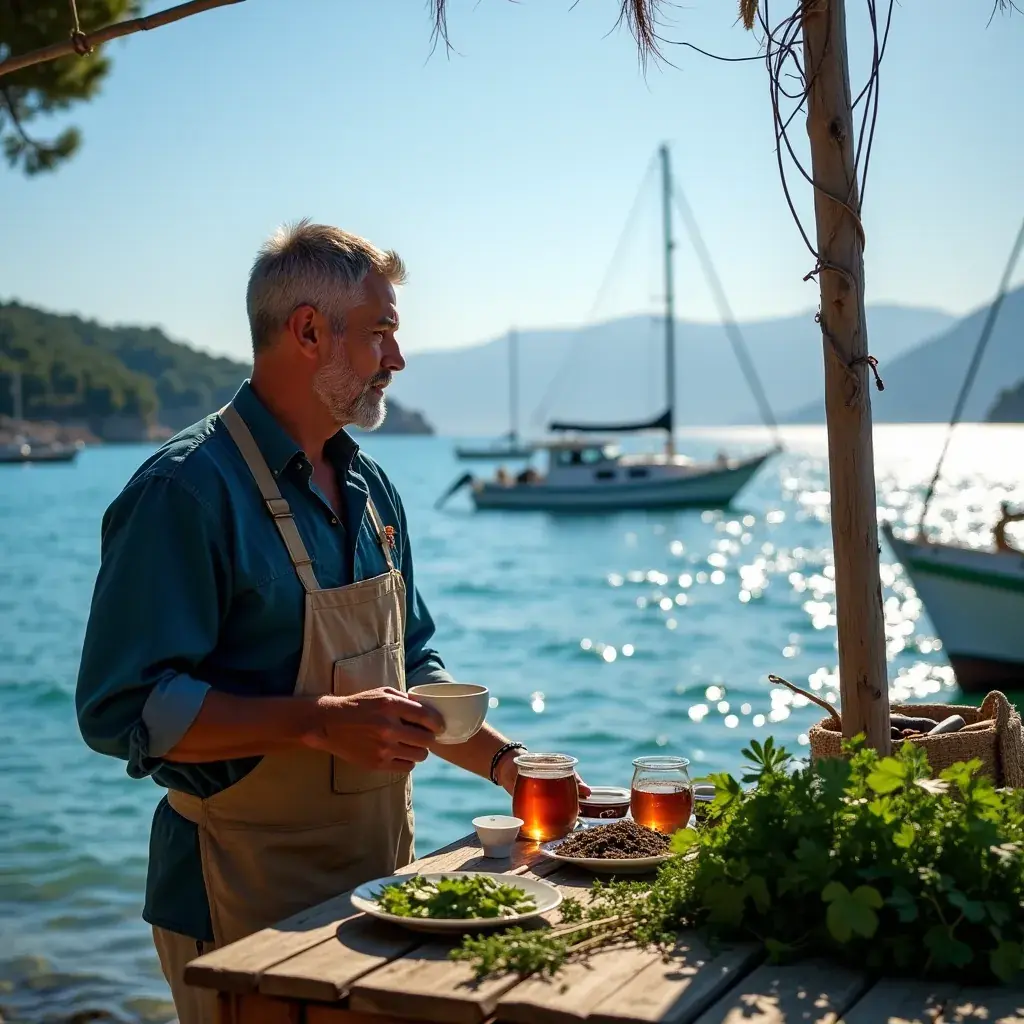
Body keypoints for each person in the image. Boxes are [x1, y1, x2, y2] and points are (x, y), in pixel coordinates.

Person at [75, 220, 588, 1024]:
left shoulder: (372, 488)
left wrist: (509, 767)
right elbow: (124, 710)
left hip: (386, 886)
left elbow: (413, 665)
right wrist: (318, 722)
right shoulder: (183, 491)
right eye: (381, 331)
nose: (397, 357)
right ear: (309, 331)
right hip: (237, 897)